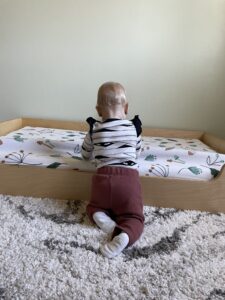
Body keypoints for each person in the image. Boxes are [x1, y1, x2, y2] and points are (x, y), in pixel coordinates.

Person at [81, 82, 144, 258]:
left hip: (102, 180)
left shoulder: (95, 128)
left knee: (94, 208)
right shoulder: (134, 128)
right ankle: (124, 235)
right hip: (128, 181)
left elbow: (85, 154)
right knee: (134, 218)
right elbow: (136, 153)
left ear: (98, 111)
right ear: (126, 108)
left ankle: (107, 224)